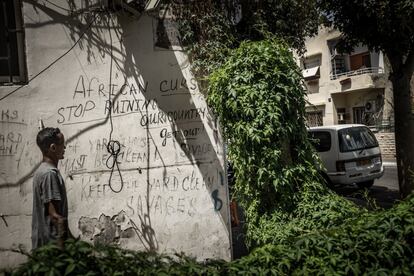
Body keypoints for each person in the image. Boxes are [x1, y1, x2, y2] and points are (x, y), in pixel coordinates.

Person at [32, 127, 68, 249]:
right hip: (51, 249)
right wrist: (64, 250)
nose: (65, 147)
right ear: (53, 147)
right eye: (62, 144)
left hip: (44, 245)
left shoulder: (41, 170)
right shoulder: (49, 174)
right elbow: (55, 217)